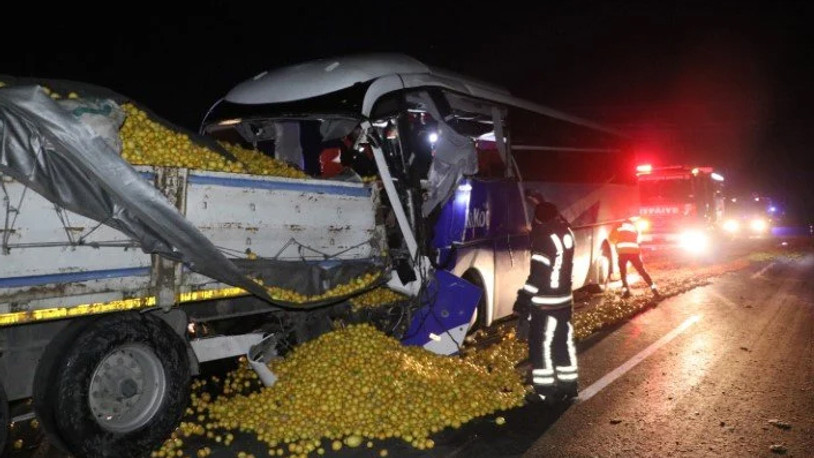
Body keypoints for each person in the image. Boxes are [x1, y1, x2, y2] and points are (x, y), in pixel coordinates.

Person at [514, 194, 578, 403]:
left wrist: (523, 299)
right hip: (564, 299)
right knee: (561, 342)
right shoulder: (567, 233)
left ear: (539, 220)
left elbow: (538, 276)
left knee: (539, 345)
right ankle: (568, 385)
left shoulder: (543, 239)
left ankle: (544, 391)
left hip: (545, 302)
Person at [608, 217, 660, 298]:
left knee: (623, 273)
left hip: (622, 253)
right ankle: (654, 290)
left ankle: (626, 292)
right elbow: (639, 240)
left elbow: (611, 239)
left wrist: (619, 241)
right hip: (634, 253)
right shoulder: (635, 228)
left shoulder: (618, 227)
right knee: (642, 271)